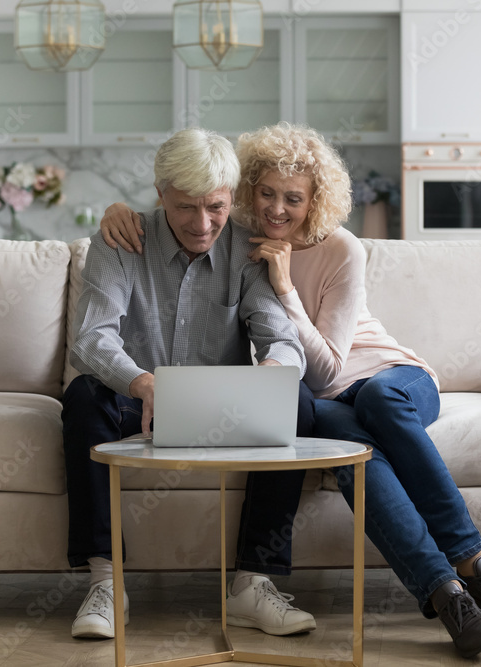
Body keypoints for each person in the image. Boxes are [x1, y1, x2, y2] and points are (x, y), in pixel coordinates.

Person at [100, 122, 481, 659]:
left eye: (294, 198)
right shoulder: (233, 238)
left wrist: (285, 287)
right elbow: (183, 203)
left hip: (391, 378)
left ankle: (477, 565)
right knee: (355, 454)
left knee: (371, 400)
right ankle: (447, 594)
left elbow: (329, 370)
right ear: (246, 190)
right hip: (329, 402)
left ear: (316, 200)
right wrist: (118, 210)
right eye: (266, 193)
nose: (277, 209)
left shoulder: (340, 249)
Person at [64, 127, 318, 641]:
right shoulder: (119, 242)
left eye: (215, 207)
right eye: (185, 208)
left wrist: (274, 369)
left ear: (230, 198)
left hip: (220, 411)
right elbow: (90, 339)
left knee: (299, 401)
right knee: (83, 396)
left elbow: (282, 337)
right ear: (160, 195)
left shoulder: (246, 251)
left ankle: (252, 583)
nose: (202, 225)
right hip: (137, 403)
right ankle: (107, 584)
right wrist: (141, 382)